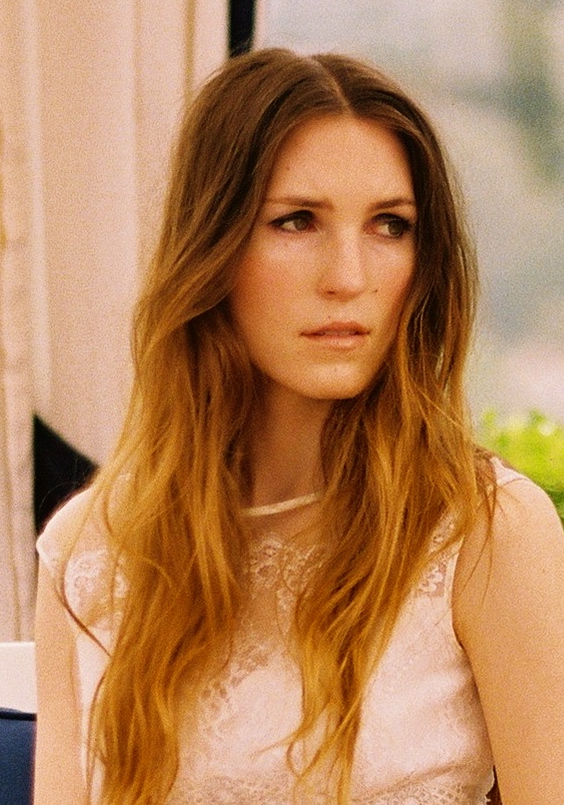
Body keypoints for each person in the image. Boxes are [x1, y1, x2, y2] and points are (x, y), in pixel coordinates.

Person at [33, 48, 564, 805]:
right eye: (296, 221)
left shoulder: (487, 533)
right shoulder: (89, 550)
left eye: (390, 225)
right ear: (211, 249)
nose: (348, 276)